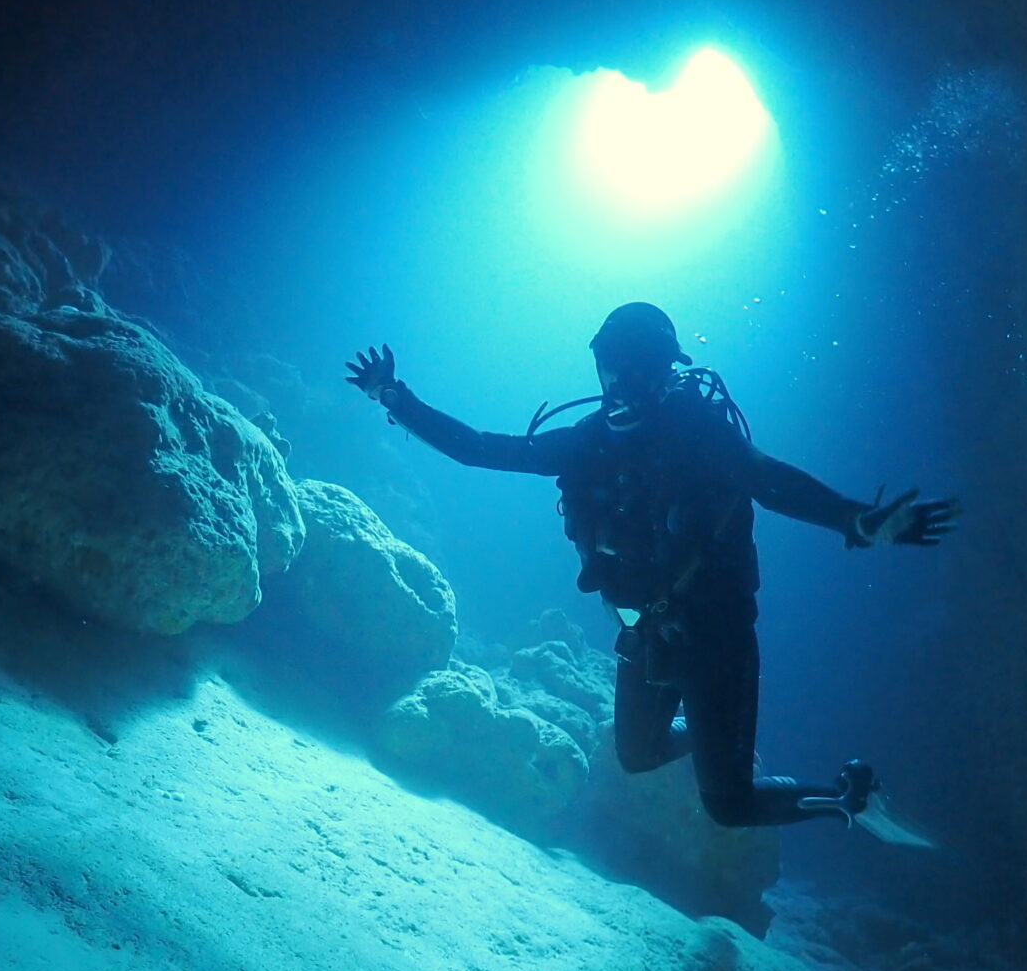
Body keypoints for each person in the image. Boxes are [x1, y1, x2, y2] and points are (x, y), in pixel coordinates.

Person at [346, 302, 959, 831]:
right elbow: (481, 449)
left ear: (668, 368)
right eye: (611, 357)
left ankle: (849, 798)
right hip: (644, 634)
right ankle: (713, 726)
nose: (621, 375)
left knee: (730, 805)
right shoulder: (588, 441)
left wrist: (857, 520)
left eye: (639, 360)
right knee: (637, 756)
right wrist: (393, 396)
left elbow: (769, 480)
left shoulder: (701, 433)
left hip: (718, 641)